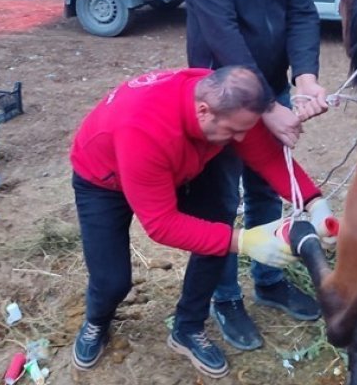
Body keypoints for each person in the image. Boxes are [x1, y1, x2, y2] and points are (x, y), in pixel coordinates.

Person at [69, 66, 336, 379]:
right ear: (203, 111)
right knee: (113, 281)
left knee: (214, 231)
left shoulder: (227, 106)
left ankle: (188, 327)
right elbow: (161, 225)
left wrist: (314, 203)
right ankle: (97, 321)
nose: (239, 139)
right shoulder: (144, 129)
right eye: (233, 132)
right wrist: (246, 242)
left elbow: (267, 157)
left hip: (178, 164)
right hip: (104, 180)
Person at [181, 0, 331, 352]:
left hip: (271, 87)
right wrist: (267, 106)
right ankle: (225, 299)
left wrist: (305, 77)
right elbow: (221, 31)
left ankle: (268, 282)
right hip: (222, 94)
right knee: (220, 201)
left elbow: (301, 12)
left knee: (268, 188)